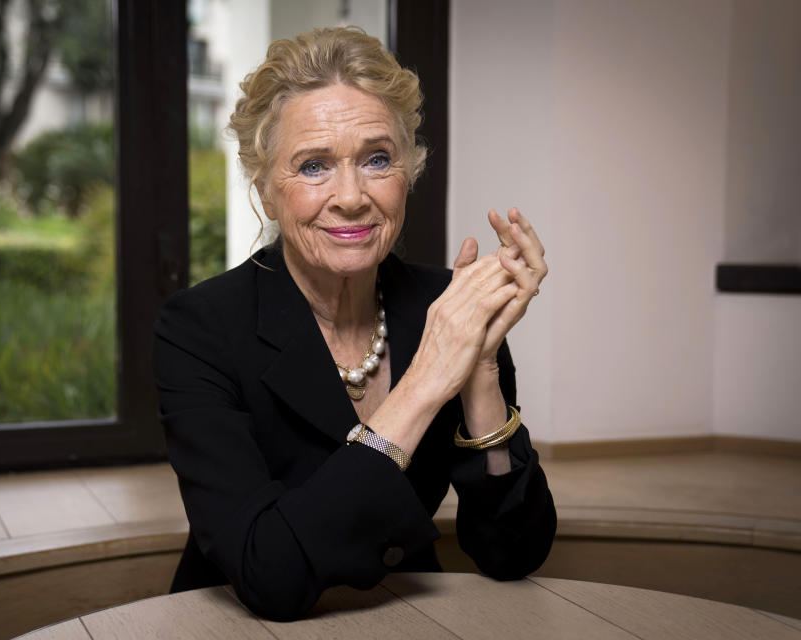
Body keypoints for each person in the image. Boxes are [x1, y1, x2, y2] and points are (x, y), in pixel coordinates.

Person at [152, 27, 555, 622]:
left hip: (408, 616)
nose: (351, 196)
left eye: (376, 159)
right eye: (314, 166)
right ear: (265, 189)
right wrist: (424, 382)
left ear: (408, 170)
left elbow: (513, 550)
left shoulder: (446, 307)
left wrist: (481, 372)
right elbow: (270, 576)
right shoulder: (200, 329)